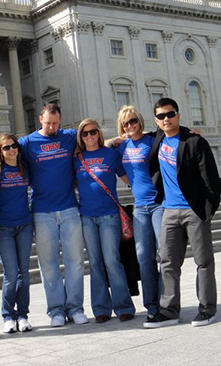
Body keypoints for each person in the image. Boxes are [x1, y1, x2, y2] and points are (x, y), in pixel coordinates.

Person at [145, 97, 221, 328]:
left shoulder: (194, 142)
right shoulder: (157, 138)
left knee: (203, 261)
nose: (166, 119)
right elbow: (133, 136)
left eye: (170, 114)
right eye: (161, 116)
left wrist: (207, 210)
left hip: (193, 210)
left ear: (178, 115)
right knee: (167, 262)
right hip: (169, 210)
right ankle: (169, 311)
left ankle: (207, 309)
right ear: (156, 120)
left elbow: (211, 179)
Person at [18, 103, 87, 327]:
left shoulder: (68, 137)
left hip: (69, 208)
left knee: (75, 261)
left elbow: (94, 138)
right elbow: (3, 151)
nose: (51, 127)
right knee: (48, 264)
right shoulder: (28, 143)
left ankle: (75, 308)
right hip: (42, 211)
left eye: (55, 123)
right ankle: (56, 310)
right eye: (48, 123)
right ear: (40, 119)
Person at [74, 118, 135, 323]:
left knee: (112, 261)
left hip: (109, 216)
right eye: (85, 133)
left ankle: (123, 306)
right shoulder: (77, 158)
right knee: (95, 263)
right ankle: (101, 309)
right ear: (81, 137)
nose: (89, 136)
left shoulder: (110, 155)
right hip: (87, 217)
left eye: (93, 132)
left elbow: (128, 178)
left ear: (99, 134)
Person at [114, 106, 163, 323]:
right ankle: (152, 306)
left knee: (165, 255)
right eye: (125, 123)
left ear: (140, 121)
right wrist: (131, 184)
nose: (130, 125)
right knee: (144, 257)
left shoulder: (151, 140)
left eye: (133, 121)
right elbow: (104, 149)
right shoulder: (122, 146)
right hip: (140, 208)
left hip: (160, 204)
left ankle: (167, 302)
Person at [0, 133, 33, 334]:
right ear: (0, 151)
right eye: (6, 147)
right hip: (3, 228)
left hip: (24, 225)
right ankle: (8, 316)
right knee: (11, 275)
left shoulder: (24, 167)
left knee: (24, 273)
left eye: (13, 145)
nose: (11, 150)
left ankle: (23, 315)